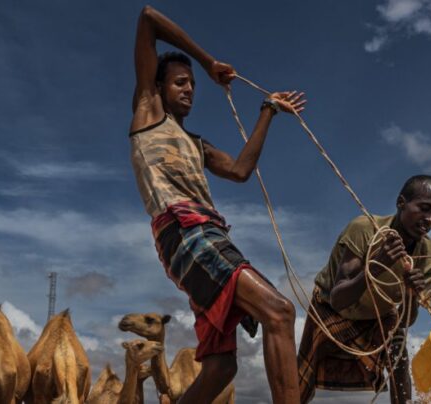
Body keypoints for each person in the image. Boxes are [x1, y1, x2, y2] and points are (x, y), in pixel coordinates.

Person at [129, 5, 307, 404]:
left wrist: (268, 111)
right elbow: (148, 18)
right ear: (157, 87)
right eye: (180, 82)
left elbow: (241, 170)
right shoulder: (147, 111)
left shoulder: (199, 145)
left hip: (207, 236)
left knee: (222, 367)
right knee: (279, 311)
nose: (189, 89)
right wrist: (208, 62)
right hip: (186, 233)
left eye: (193, 84)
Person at [297, 175, 431, 403]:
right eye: (425, 208)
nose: (430, 219)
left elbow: (406, 321)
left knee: (399, 362)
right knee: (303, 374)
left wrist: (410, 295)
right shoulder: (365, 229)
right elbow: (339, 299)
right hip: (331, 308)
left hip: (380, 314)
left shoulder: (429, 257)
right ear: (401, 203)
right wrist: (377, 266)